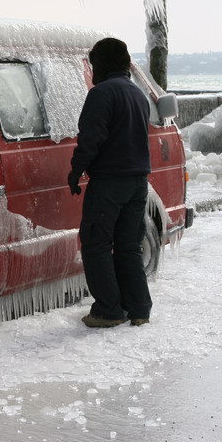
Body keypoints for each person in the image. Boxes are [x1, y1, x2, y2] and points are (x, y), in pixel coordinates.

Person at [68, 37, 152, 328]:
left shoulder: (101, 94)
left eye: (93, 66)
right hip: (138, 182)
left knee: (96, 244)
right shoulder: (137, 95)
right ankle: (139, 309)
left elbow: (90, 138)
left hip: (109, 183)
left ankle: (108, 310)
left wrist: (76, 171)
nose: (92, 72)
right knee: (129, 246)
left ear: (102, 65)